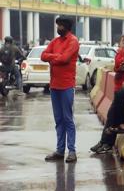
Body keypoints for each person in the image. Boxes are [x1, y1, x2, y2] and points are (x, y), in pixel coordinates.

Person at [90, 30, 124, 154]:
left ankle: (106, 143)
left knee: (112, 117)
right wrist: (119, 60)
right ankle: (105, 142)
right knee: (112, 117)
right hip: (118, 85)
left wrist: (120, 49)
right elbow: (116, 66)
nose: (122, 40)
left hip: (123, 86)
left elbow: (120, 62)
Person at [41, 16, 80, 163]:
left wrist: (53, 58)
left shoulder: (73, 41)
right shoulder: (54, 41)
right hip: (54, 85)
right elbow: (43, 56)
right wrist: (56, 56)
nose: (58, 28)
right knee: (58, 120)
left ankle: (72, 151)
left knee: (68, 119)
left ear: (66, 26)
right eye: (57, 25)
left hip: (67, 86)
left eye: (60, 26)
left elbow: (65, 59)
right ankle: (59, 150)